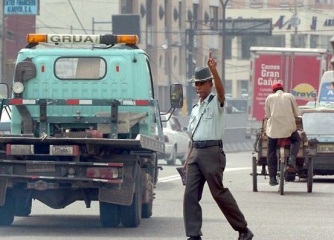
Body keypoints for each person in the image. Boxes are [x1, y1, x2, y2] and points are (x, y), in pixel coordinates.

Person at [183, 52, 254, 240]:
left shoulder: (216, 102)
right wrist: (187, 159)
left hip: (212, 153)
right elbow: (193, 135)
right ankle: (193, 235)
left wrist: (214, 70)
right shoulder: (196, 108)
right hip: (196, 152)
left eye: (202, 83)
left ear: (210, 84)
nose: (198, 87)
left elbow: (222, 92)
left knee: (218, 193)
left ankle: (243, 230)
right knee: (190, 195)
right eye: (196, 83)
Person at [265, 82, 301, 186]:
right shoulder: (290, 96)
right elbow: (297, 113)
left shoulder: (269, 98)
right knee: (297, 140)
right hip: (288, 129)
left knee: (271, 151)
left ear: (273, 91)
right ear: (283, 89)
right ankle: (291, 158)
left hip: (273, 130)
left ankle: (272, 178)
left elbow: (267, 115)